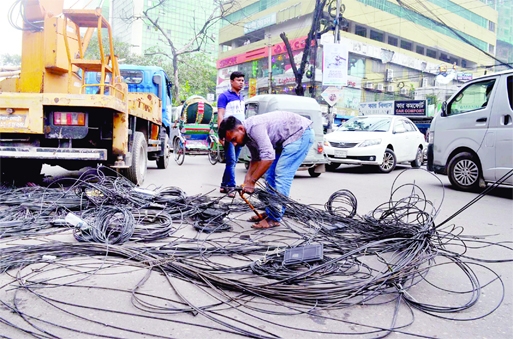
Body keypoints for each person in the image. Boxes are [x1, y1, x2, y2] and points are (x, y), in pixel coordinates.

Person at [218, 111, 314, 229]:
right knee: (269, 176)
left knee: (282, 174)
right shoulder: (247, 136)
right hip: (284, 141)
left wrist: (252, 182)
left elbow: (268, 158)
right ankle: (270, 212)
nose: (235, 143)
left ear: (241, 129)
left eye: (234, 139)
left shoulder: (255, 128)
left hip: (300, 134)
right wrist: (247, 179)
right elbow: (256, 158)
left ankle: (274, 218)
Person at [217, 71, 245, 197]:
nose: (241, 82)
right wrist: (221, 135)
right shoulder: (224, 96)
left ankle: (224, 185)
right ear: (232, 81)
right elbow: (220, 115)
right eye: (238, 80)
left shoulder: (242, 97)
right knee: (231, 160)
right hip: (229, 134)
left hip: (240, 134)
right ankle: (231, 187)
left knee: (232, 161)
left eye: (243, 80)